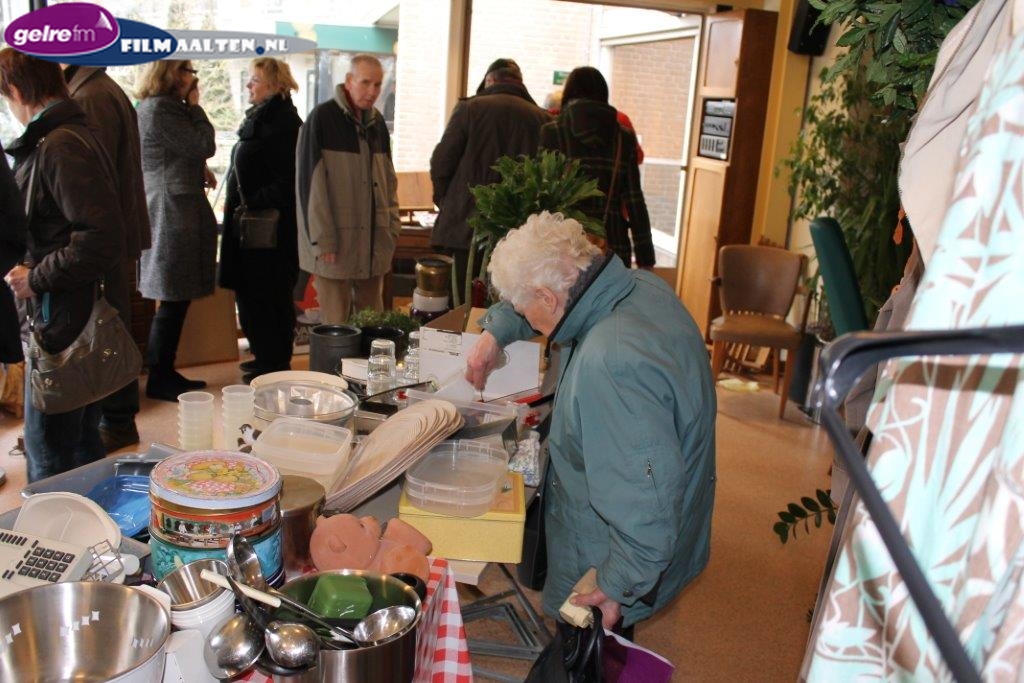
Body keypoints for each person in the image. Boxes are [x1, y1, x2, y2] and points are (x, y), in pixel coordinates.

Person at [465, 211, 716, 632]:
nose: (533, 324)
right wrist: (496, 332)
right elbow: (540, 299)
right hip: (651, 525)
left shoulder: (613, 363)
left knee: (589, 653)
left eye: (528, 312)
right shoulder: (638, 287)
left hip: (608, 555)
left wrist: (618, 584)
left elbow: (645, 497)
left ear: (548, 298)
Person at [0, 49, 124, 481]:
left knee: (50, 452)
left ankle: (60, 524)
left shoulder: (60, 144)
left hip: (62, 318)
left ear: (17, 91)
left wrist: (35, 278)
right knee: (78, 445)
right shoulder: (68, 135)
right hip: (69, 311)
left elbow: (100, 238)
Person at [64, 64, 151, 451]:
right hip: (111, 235)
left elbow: (93, 184)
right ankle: (115, 418)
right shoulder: (100, 88)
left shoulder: (90, 97)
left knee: (107, 331)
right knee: (111, 326)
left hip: (103, 239)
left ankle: (116, 420)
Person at [430, 58, 552, 293]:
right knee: (508, 302)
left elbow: (441, 162)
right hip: (518, 235)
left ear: (489, 81)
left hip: (466, 231)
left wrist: (447, 203)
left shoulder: (470, 109)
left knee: (461, 302)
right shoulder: (544, 120)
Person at [296, 54, 400, 323]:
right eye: (365, 82)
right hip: (335, 246)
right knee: (336, 328)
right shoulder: (321, 119)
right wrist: (323, 239)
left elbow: (388, 182)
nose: (372, 91)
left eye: (377, 84)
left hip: (373, 244)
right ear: (349, 81)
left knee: (372, 326)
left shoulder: (377, 124)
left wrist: (391, 227)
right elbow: (310, 186)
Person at [136, 60, 217, 401]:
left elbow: (182, 152)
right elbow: (203, 144)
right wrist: (197, 108)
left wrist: (199, 169)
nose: (192, 78)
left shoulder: (157, 107)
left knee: (175, 297)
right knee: (172, 297)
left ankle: (164, 371)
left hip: (172, 205)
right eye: (187, 71)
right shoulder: (162, 109)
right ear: (170, 73)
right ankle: (160, 375)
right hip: (172, 210)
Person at [219, 58, 303, 383]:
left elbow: (288, 180)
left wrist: (254, 199)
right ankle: (264, 356)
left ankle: (274, 362)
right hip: (252, 225)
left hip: (271, 229)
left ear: (275, 84)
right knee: (252, 293)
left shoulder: (284, 123)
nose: (248, 85)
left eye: (254, 80)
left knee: (269, 295)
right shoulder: (261, 118)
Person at [540, 67, 654, 269]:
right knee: (613, 290)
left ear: (569, 93)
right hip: (613, 244)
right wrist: (645, 256)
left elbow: (543, 193)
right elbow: (634, 199)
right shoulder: (623, 137)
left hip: (564, 247)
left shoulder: (552, 132)